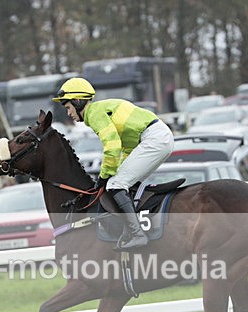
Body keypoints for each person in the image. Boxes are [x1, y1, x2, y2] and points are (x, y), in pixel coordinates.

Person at [52, 77, 174, 249]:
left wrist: (104, 176)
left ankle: (137, 234)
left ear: (78, 101)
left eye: (68, 107)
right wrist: (112, 172)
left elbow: (112, 146)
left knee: (116, 184)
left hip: (155, 138)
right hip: (159, 137)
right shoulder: (101, 110)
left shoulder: (94, 113)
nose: (68, 113)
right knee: (122, 183)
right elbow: (127, 148)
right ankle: (131, 229)